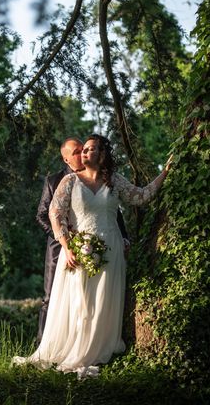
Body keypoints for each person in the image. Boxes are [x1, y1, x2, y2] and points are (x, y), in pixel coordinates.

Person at [14, 134, 171, 378]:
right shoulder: (69, 181)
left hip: (112, 250)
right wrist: (67, 246)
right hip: (79, 250)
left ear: (103, 154)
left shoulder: (115, 181)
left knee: (103, 301)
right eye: (83, 150)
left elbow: (141, 196)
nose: (85, 153)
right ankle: (73, 348)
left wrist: (165, 173)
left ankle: (97, 349)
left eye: (91, 149)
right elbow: (55, 215)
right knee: (80, 302)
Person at [35, 137, 129, 346]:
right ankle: (45, 342)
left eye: (82, 150)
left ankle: (92, 343)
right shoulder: (55, 180)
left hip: (102, 244)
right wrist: (68, 239)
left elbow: (115, 213)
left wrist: (124, 237)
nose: (81, 154)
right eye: (76, 152)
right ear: (67, 159)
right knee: (53, 299)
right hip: (61, 247)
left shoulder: (106, 179)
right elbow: (43, 215)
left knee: (97, 297)